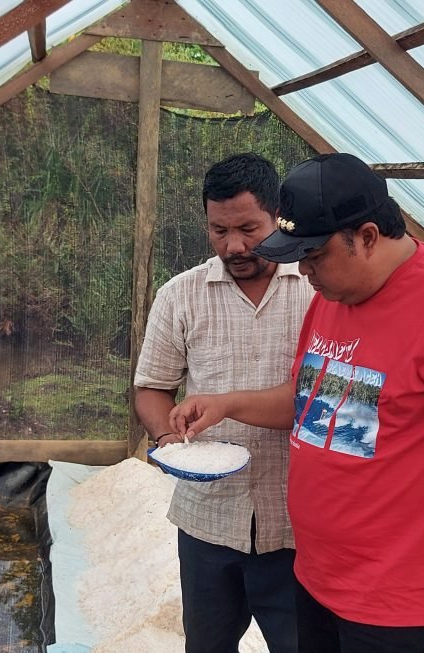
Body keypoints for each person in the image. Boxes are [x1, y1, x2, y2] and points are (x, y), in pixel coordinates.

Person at [168, 152, 424, 653]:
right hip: (317, 576)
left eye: (314, 257)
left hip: (396, 600)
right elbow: (313, 404)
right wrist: (227, 403)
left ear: (365, 237)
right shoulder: (335, 296)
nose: (304, 272)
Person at [133, 152, 314, 653]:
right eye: (219, 231)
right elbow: (151, 385)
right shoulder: (181, 295)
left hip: (298, 526)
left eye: (248, 229)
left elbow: (322, 400)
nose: (233, 245)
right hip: (207, 521)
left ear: (277, 217)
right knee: (208, 645)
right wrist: (169, 439)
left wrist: (228, 403)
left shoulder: (318, 288)